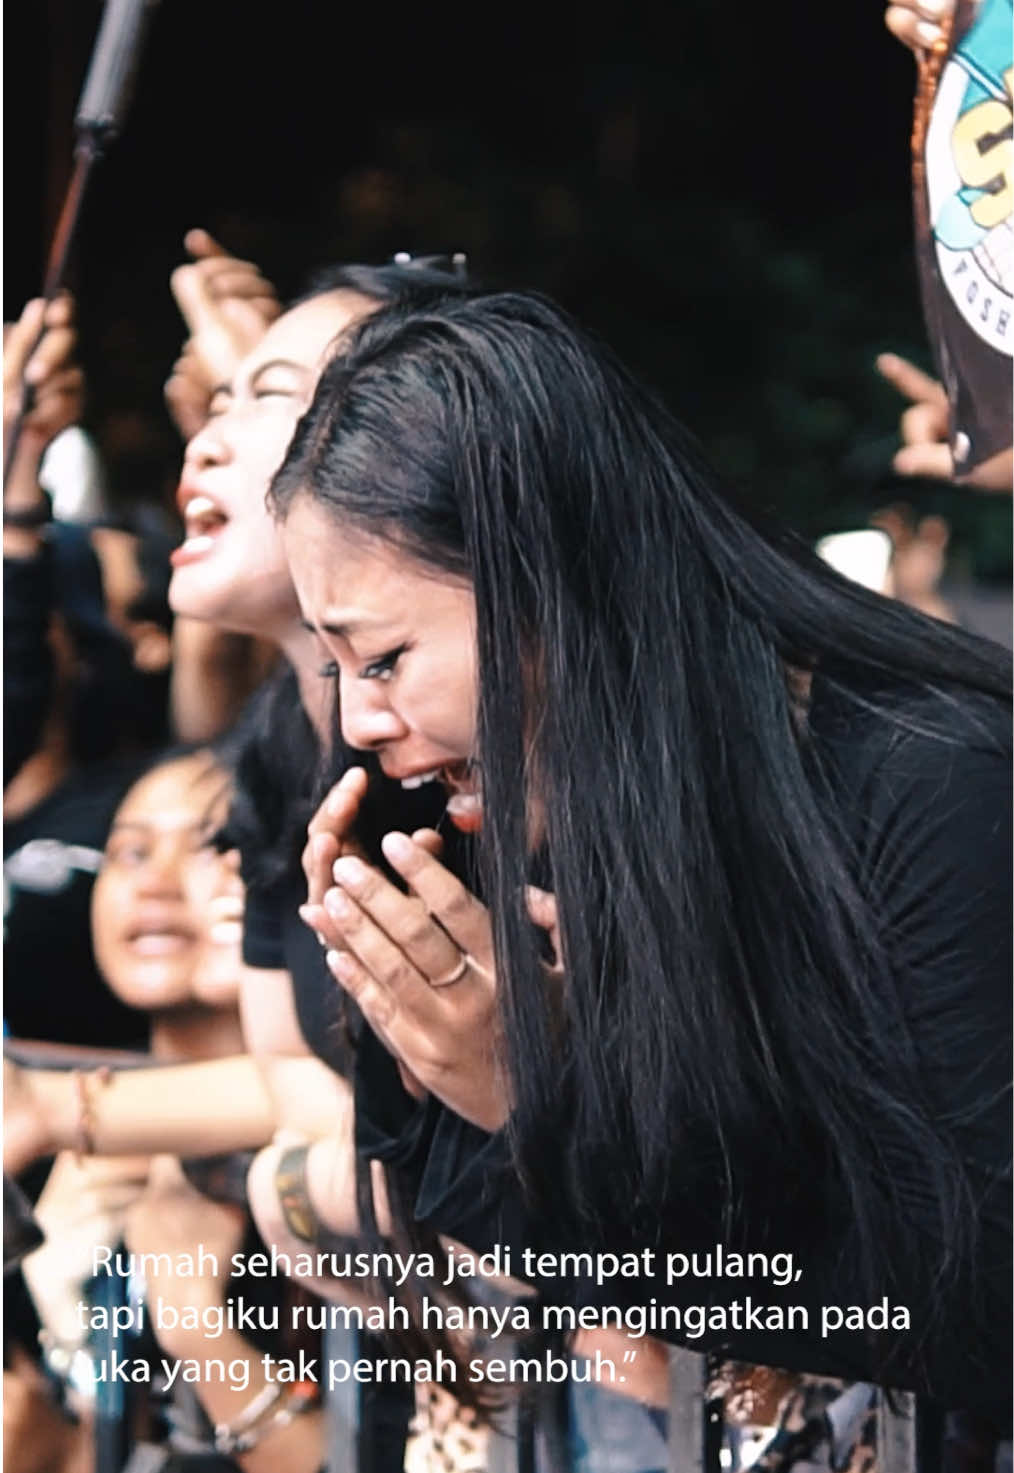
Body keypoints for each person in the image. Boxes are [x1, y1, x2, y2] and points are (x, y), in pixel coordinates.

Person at [267, 290, 1012, 1434]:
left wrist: (542, 1101)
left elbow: (968, 1308)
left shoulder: (936, 779)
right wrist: (435, 1064)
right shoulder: (568, 826)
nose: (360, 722)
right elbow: (564, 1245)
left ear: (553, 584)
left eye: (383, 658)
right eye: (335, 670)